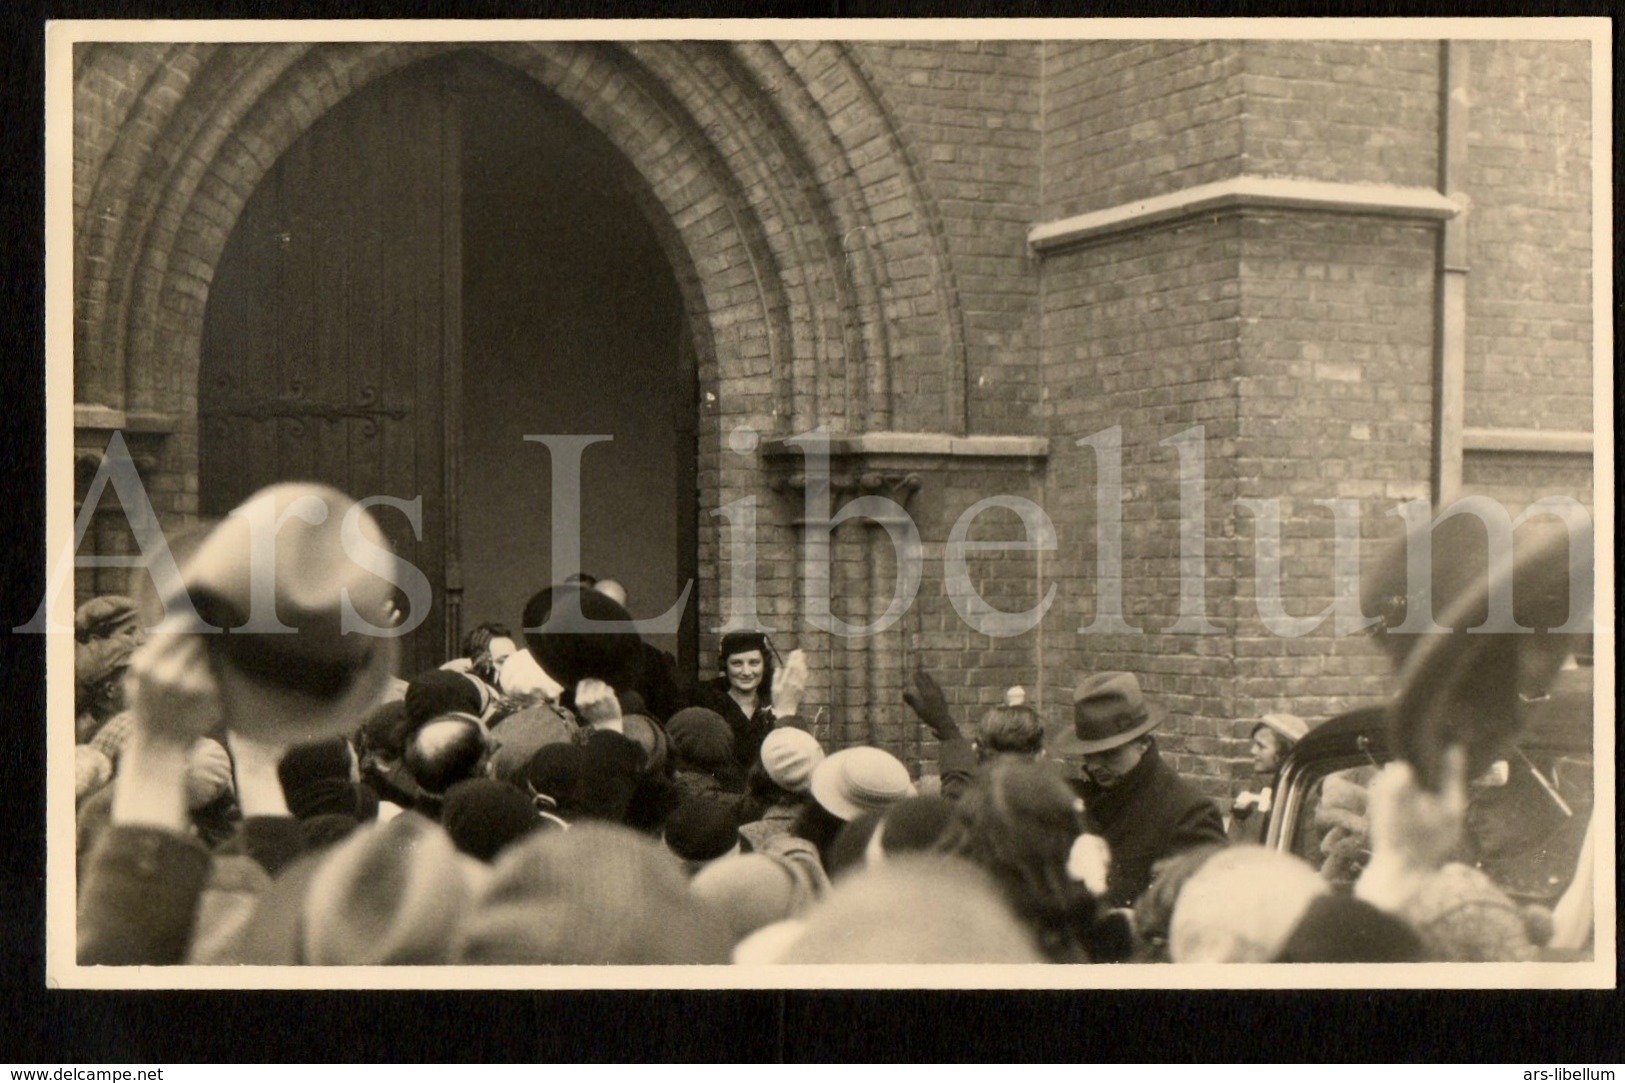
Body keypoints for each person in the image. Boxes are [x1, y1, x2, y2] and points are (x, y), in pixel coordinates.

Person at [1053, 672, 1227, 909]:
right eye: (1089, 754)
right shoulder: (1085, 800)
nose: (1094, 766)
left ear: (1143, 743)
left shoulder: (1187, 813)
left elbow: (1202, 911)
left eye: (1110, 753)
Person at [694, 630, 782, 769]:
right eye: (737, 663)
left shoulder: (775, 707)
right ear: (725, 666)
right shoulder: (710, 707)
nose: (746, 672)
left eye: (754, 663)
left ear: (764, 665)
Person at [1227, 713, 1309, 845]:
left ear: (1284, 753)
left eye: (1261, 746)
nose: (1253, 751)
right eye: (1254, 744)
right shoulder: (1255, 789)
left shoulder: (1298, 795)